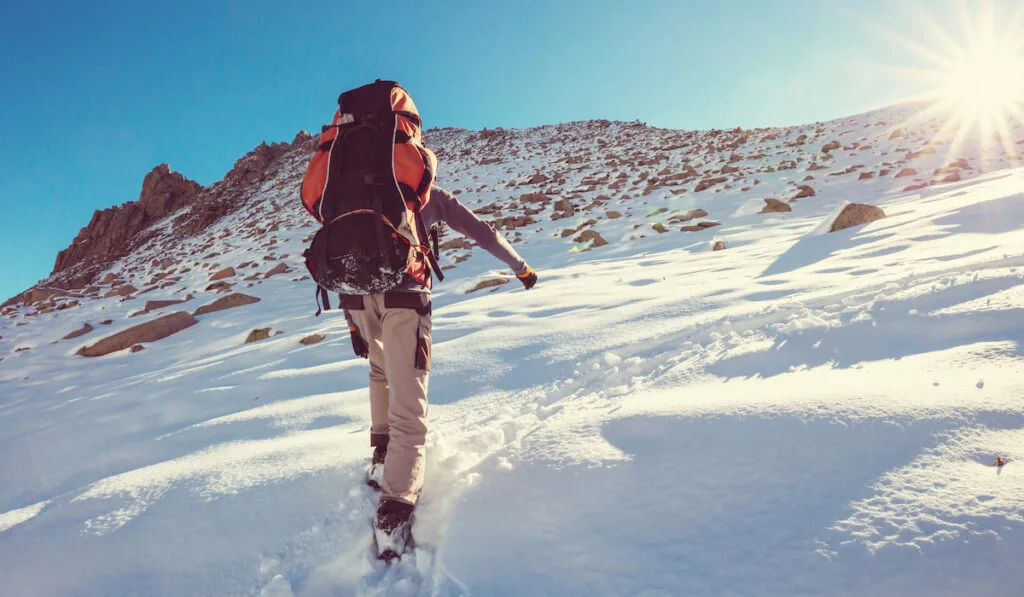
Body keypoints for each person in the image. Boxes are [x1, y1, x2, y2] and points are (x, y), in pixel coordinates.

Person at [342, 185, 537, 560]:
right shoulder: (422, 189)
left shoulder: (346, 183)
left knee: (380, 371)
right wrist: (520, 267)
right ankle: (394, 511)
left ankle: (382, 456)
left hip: (355, 296)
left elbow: (337, 241)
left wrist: (351, 320)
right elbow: (482, 231)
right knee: (410, 400)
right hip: (405, 295)